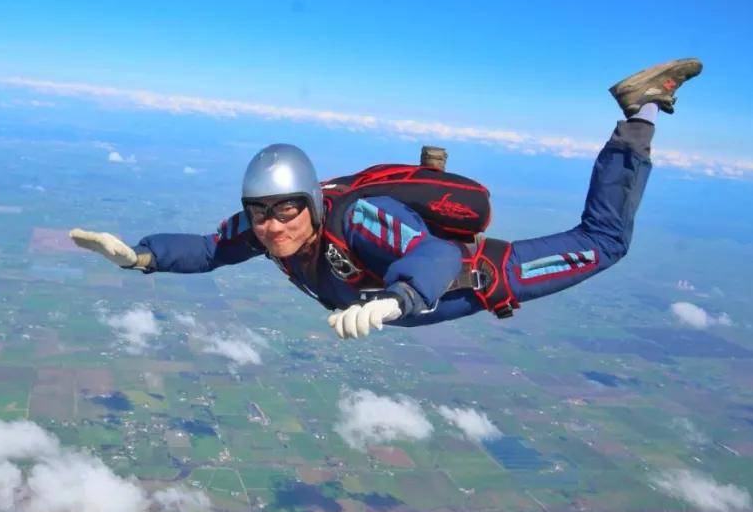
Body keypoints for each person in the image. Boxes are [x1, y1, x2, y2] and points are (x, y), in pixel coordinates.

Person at [70, 58, 702, 339]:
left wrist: (402, 299)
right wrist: (142, 257)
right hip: (412, 298)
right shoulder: (264, 229)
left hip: (486, 277)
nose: (272, 225)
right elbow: (208, 250)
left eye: (286, 209)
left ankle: (638, 115)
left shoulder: (362, 218)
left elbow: (430, 257)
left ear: (314, 203)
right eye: (261, 211)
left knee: (606, 244)